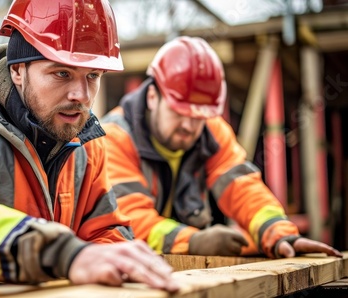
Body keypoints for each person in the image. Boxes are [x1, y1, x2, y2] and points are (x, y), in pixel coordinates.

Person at [0, 0, 179, 295]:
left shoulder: (86, 144)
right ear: (18, 71)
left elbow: (106, 233)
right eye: (62, 73)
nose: (81, 95)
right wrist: (64, 254)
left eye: (92, 76)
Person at [100, 36, 343, 259]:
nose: (189, 125)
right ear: (153, 96)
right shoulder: (114, 137)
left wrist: (277, 232)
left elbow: (243, 187)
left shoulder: (211, 130)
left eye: (199, 116)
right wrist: (194, 241)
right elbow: (128, 222)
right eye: (180, 112)